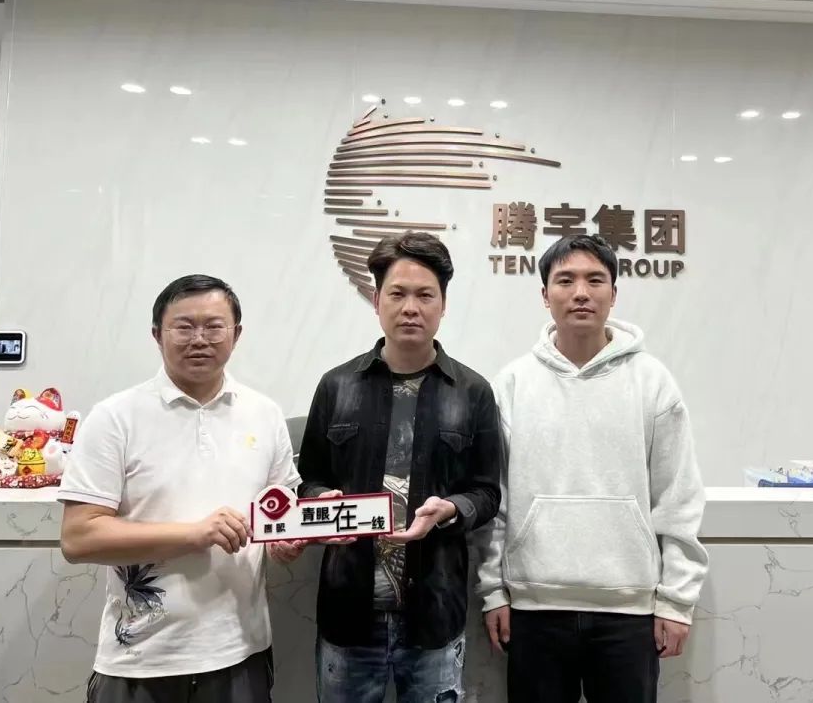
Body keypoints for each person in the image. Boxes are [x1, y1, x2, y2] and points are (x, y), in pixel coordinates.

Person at [476, 234, 709, 703]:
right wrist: (494, 591)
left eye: (594, 280)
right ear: (545, 295)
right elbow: (495, 499)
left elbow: (677, 495)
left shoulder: (652, 381)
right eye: (565, 280)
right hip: (533, 610)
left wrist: (676, 599)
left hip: (630, 612)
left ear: (613, 294)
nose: (580, 292)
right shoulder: (513, 383)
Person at [59, 274, 303, 703]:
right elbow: (79, 537)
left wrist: (288, 540)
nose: (200, 339)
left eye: (214, 327)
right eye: (184, 326)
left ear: (236, 334)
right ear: (157, 334)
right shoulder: (114, 417)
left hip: (240, 653)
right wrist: (195, 534)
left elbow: (280, 510)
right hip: (139, 660)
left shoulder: (264, 415)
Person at [297, 232, 500, 703]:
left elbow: (487, 492)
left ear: (443, 305)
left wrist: (450, 509)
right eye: (398, 294)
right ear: (376, 301)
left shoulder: (473, 392)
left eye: (425, 295)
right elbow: (309, 479)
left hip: (434, 614)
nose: (411, 307)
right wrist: (321, 501)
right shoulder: (336, 386)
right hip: (348, 614)